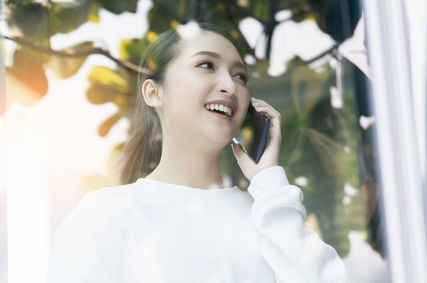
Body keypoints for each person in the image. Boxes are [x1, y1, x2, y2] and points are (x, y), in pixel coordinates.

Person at [45, 23, 347, 283]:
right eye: (206, 65)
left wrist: (269, 180)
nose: (230, 85)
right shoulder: (105, 214)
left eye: (240, 76)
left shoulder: (269, 214)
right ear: (154, 92)